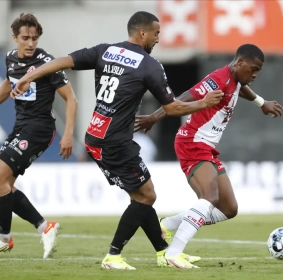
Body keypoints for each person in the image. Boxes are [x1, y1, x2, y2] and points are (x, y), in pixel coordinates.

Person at [13, 11, 223, 270]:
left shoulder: (104, 51)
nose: (158, 38)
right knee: (146, 196)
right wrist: (203, 103)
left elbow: (63, 62)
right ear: (143, 33)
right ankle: (113, 256)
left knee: (141, 194)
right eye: (156, 33)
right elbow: (172, 108)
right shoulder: (149, 65)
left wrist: (28, 76)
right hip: (115, 142)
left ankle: (163, 252)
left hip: (96, 136)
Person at [135, 44, 283, 268]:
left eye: (258, 71)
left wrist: (261, 103)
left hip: (207, 147)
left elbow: (239, 88)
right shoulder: (218, 79)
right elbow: (184, 96)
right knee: (209, 197)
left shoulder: (235, 80)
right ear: (240, 62)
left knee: (229, 208)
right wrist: (155, 117)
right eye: (253, 69)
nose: (255, 74)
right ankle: (173, 253)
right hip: (192, 141)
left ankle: (167, 224)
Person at [0, 13, 77, 258]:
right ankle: (45, 227)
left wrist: (68, 134)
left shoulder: (47, 63)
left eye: (35, 38)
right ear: (15, 38)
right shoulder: (11, 58)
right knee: (5, 185)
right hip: (21, 127)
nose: (31, 43)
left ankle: (3, 238)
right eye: (26, 38)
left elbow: (71, 98)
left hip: (40, 128)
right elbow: (8, 83)